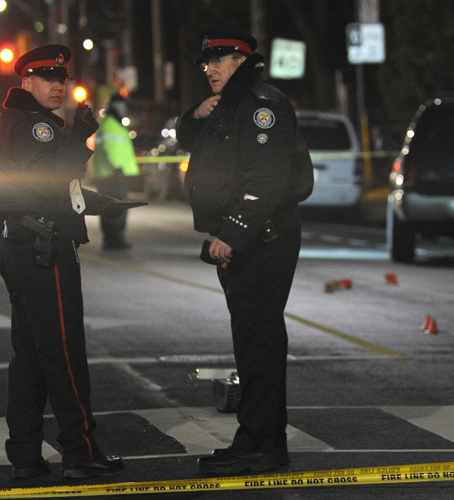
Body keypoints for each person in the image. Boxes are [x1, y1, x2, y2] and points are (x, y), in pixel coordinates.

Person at [0, 44, 125, 480]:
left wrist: (98, 202)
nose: (58, 86)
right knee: (63, 352)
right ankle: (81, 451)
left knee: (30, 357)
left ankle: (25, 454)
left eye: (62, 79)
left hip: (21, 244)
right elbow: (48, 179)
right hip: (43, 249)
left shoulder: (18, 122)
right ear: (26, 81)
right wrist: (78, 137)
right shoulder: (34, 125)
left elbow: (40, 188)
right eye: (48, 79)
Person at [177, 27, 314, 475]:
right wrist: (195, 114)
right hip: (249, 242)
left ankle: (257, 444)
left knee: (259, 343)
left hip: (263, 240)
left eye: (218, 60)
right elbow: (189, 140)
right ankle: (266, 441)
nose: (209, 69)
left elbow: (266, 180)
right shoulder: (228, 104)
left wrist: (232, 233)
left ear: (241, 61)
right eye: (206, 62)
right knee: (255, 343)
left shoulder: (260, 105)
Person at [90, 93, 140, 249]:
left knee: (111, 207)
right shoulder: (111, 125)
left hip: (110, 174)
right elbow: (110, 149)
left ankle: (112, 239)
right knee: (117, 207)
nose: (124, 110)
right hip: (111, 174)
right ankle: (114, 239)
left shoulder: (111, 124)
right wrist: (118, 167)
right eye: (122, 106)